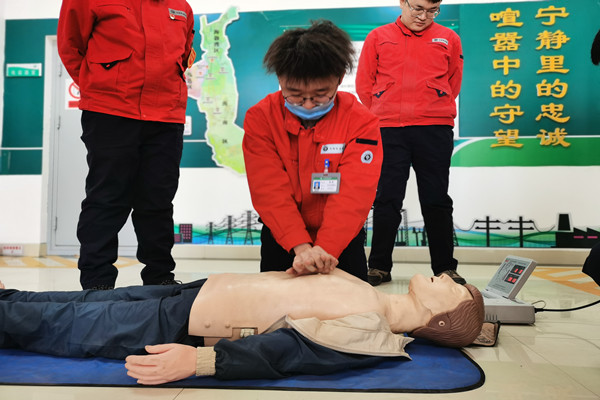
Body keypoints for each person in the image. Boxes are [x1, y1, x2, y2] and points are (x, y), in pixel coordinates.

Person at [0, 268, 484, 385]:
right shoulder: (371, 294)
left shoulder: (371, 330)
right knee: (69, 302)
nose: (448, 278)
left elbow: (289, 352)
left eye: (456, 288)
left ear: (442, 319)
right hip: (194, 293)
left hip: (183, 323)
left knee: (57, 322)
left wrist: (202, 361)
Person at [57, 0, 195, 289]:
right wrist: (99, 89)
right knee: (108, 196)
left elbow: (183, 56)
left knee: (158, 200)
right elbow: (71, 47)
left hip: (166, 116)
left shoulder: (181, 7)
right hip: (111, 112)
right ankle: (97, 282)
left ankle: (160, 279)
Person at [243, 20, 383, 281]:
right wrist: (300, 246)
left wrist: (325, 250)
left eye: (320, 94)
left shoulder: (361, 122)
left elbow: (354, 194)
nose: (307, 105)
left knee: (349, 304)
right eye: (295, 94)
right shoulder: (261, 118)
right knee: (278, 304)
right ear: (280, 79)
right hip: (283, 238)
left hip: (341, 240)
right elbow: (269, 189)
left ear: (339, 78)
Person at [355, 0, 464, 286]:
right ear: (402, 3)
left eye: (432, 10)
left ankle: (445, 268)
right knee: (387, 198)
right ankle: (379, 266)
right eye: (417, 8)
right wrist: (381, 111)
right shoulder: (378, 36)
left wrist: (433, 105)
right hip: (389, 128)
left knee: (436, 199)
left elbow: (453, 81)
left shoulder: (448, 37)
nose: (424, 16)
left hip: (434, 127)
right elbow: (365, 82)